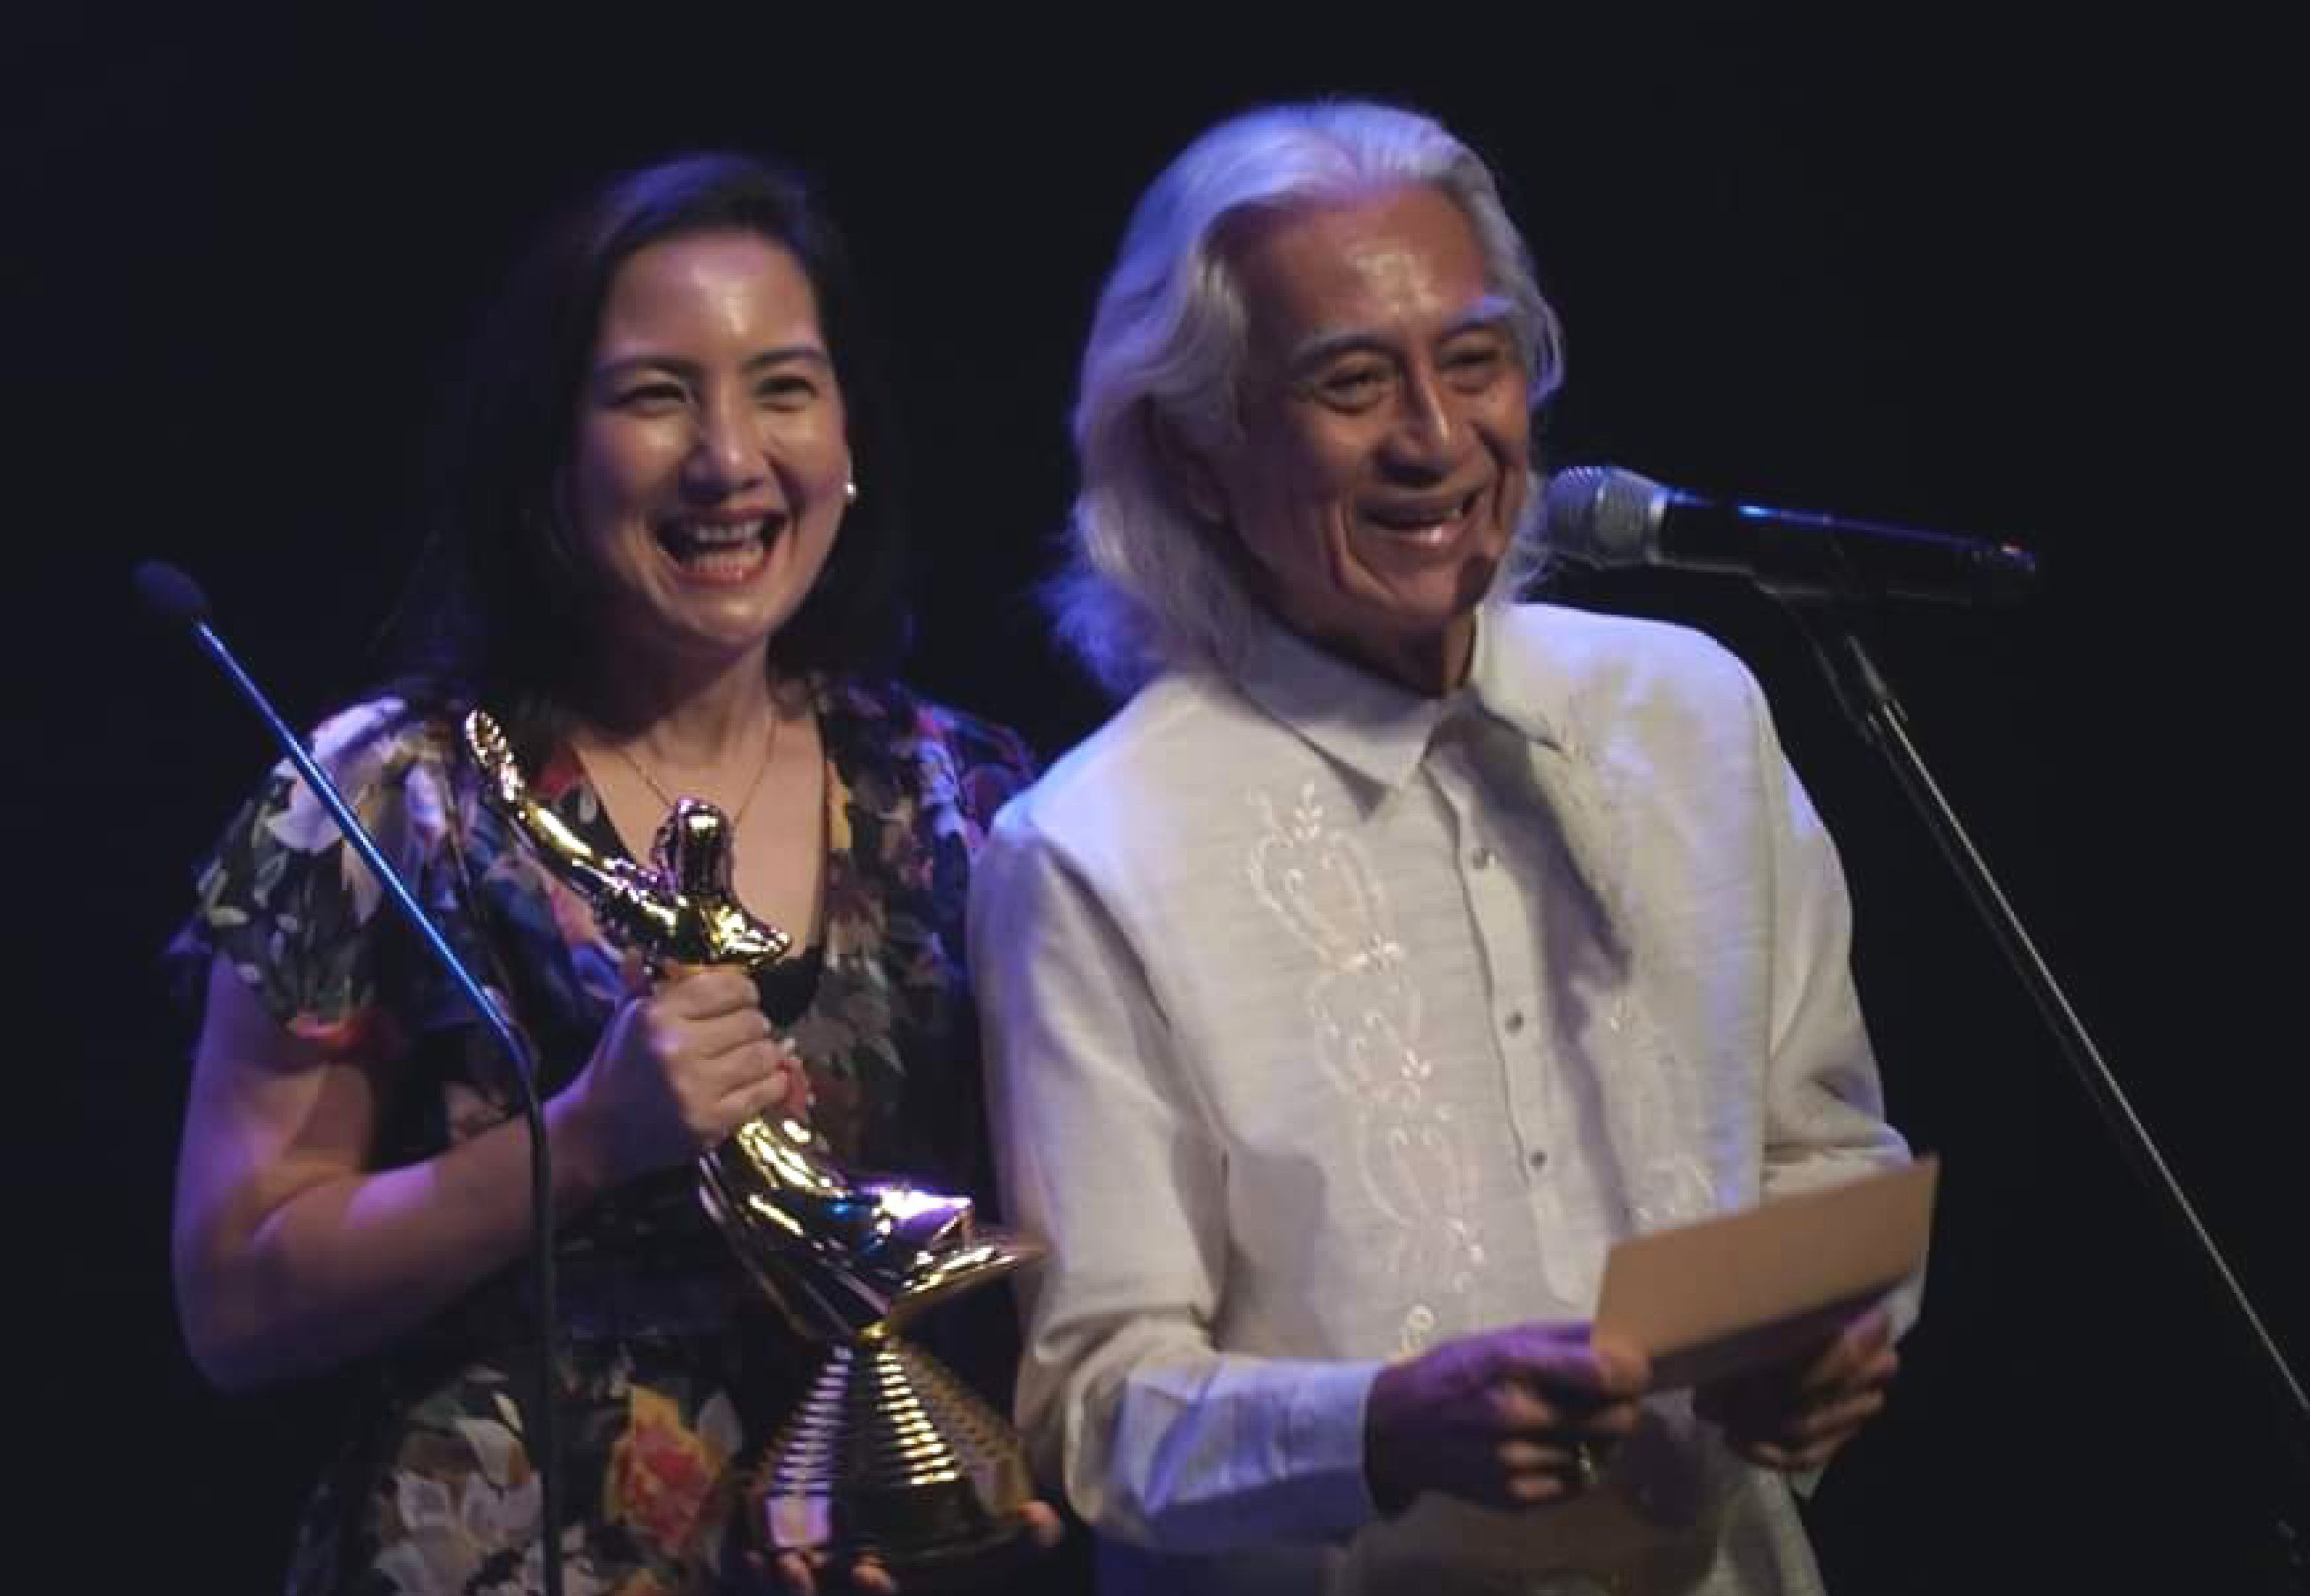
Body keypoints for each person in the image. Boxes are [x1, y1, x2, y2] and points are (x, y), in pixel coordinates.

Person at [972, 100, 1916, 1595]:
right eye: (1351, 382)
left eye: (1474, 361)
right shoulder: (1092, 846)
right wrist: (1380, 1428)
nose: (1434, 437)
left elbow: (1829, 1149)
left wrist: (1822, 1343)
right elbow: (1092, 1405)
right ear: (1197, 451)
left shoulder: (1692, 713)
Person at [169, 152, 1052, 1595]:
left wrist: (987, 1470)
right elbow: (235, 1300)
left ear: (849, 439)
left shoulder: (967, 796)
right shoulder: (391, 794)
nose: (728, 458)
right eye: (655, 396)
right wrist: (580, 1140)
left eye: (783, 387)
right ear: (550, 450)